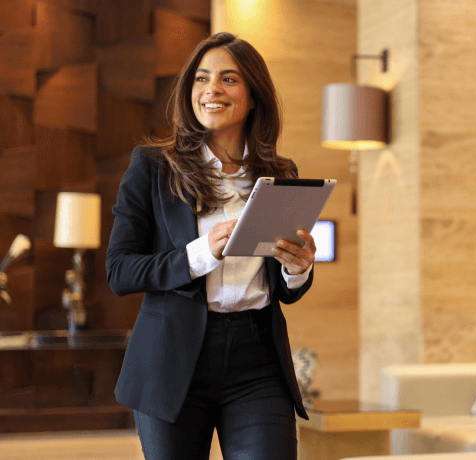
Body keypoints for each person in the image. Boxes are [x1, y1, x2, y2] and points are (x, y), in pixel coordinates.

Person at [106, 32, 316, 460]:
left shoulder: (279, 173)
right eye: (201, 79)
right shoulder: (153, 167)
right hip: (171, 361)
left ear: (254, 96)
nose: (211, 89)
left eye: (228, 79)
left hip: (258, 361)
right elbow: (120, 270)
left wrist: (297, 269)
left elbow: (281, 287)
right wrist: (201, 253)